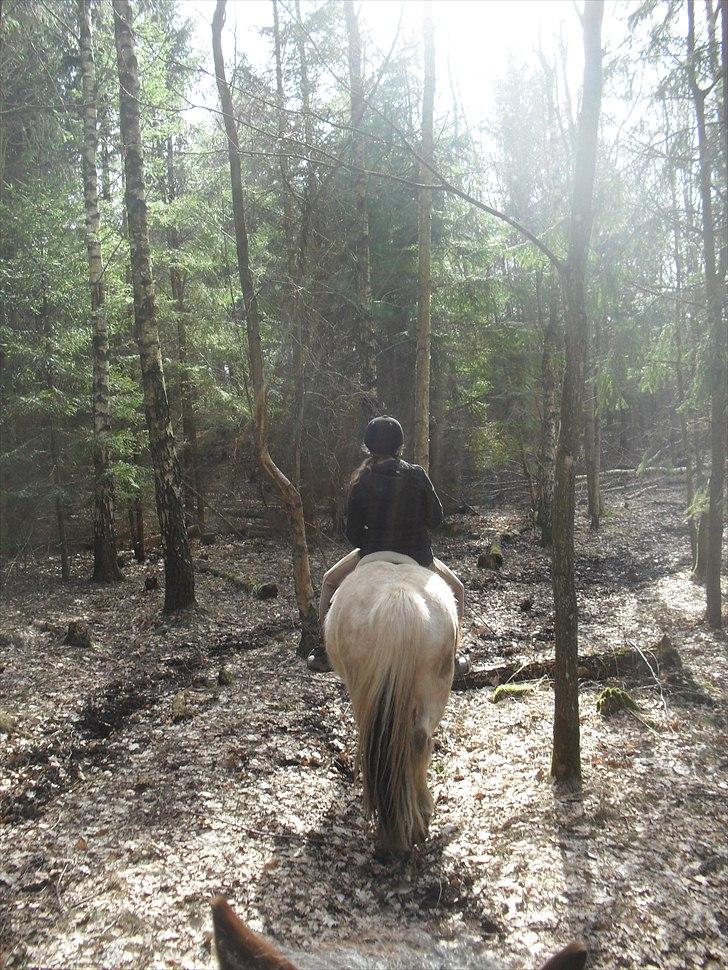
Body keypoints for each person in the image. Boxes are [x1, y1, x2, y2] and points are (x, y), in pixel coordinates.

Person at [307, 415, 469, 676]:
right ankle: (452, 655)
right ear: (399, 446)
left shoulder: (361, 480)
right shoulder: (417, 474)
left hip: (373, 551)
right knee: (458, 590)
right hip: (417, 554)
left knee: (328, 581)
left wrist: (372, 543)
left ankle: (324, 649)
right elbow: (437, 519)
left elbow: (352, 533)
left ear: (369, 447)